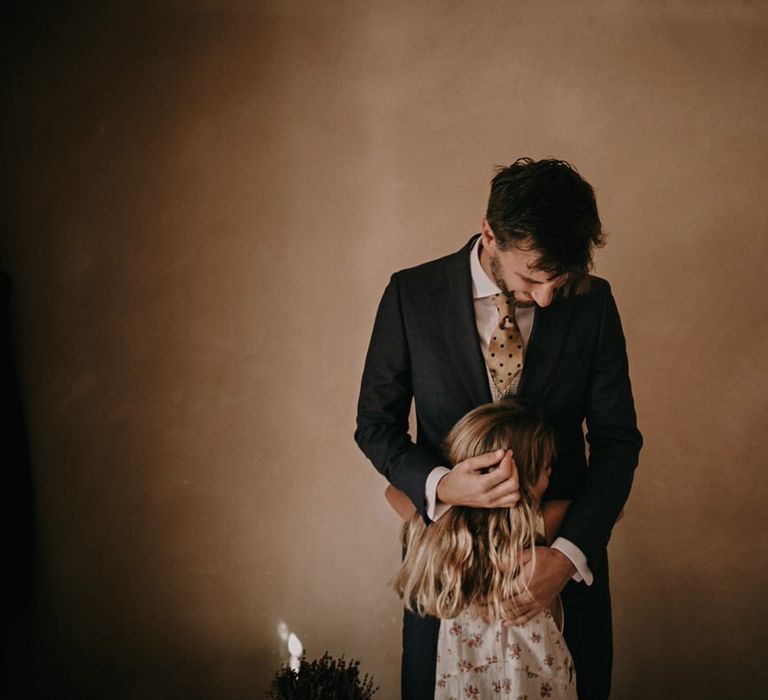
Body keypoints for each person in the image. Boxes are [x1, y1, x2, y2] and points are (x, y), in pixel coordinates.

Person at [355, 157, 642, 699]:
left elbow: (617, 442)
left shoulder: (595, 303)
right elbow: (374, 425)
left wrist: (567, 557)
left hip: (561, 569)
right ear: (490, 233)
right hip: (447, 573)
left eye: (561, 279)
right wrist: (442, 484)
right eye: (533, 277)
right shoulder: (410, 296)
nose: (548, 296)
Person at [388, 399, 578, 699]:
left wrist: (448, 490)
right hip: (532, 681)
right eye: (544, 467)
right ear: (520, 479)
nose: (551, 472)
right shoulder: (539, 526)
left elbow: (392, 491)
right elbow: (608, 510)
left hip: (464, 683)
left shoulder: (444, 534)